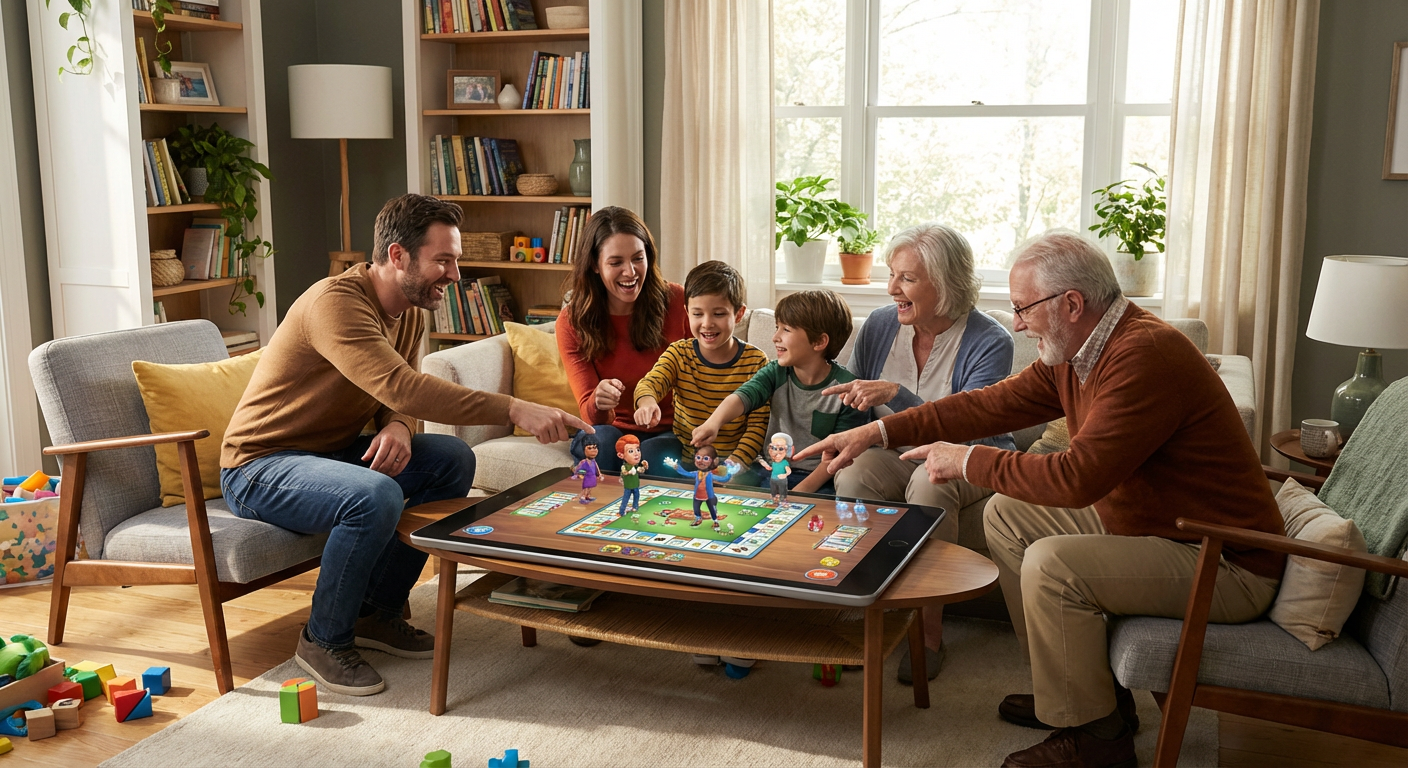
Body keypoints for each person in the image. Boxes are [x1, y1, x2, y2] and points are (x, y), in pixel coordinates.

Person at [797, 230, 1285, 768]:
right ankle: (1078, 696)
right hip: (1160, 528)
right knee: (1007, 515)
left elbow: (1077, 479)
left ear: (1071, 304)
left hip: (1223, 560)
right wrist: (876, 434)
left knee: (1053, 565)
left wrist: (967, 460)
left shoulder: (1144, 355)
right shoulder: (1079, 352)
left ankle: (1096, 738)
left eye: (1023, 308)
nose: (1018, 323)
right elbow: (983, 407)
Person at [220, 194, 588, 697]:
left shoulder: (409, 308)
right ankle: (321, 640)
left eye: (455, 260)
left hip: (332, 453)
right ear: (397, 256)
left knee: (452, 459)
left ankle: (378, 613)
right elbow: (405, 387)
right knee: (375, 495)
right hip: (260, 464)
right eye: (443, 260)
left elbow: (397, 392)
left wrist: (396, 424)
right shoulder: (336, 304)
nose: (455, 275)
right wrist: (513, 408)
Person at [823, 223, 1016, 683]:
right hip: (895, 450)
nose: (892, 289)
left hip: (968, 453)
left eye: (906, 279)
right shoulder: (880, 326)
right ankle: (864, 614)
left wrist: (898, 393)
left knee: (930, 482)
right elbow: (853, 395)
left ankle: (929, 634)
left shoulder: (991, 340)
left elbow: (972, 425)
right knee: (851, 475)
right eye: (892, 275)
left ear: (944, 284)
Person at [692, 289, 869, 496]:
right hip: (768, 469)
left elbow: (838, 457)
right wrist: (714, 422)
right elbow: (744, 396)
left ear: (819, 342)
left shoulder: (849, 390)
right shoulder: (776, 371)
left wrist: (801, 492)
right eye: (777, 327)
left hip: (817, 478)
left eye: (786, 329)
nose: (775, 337)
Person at [557, 207, 689, 474]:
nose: (630, 272)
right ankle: (594, 513)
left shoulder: (678, 301)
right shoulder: (572, 322)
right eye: (616, 262)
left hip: (671, 430)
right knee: (601, 444)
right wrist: (598, 400)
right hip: (609, 431)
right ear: (595, 265)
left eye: (638, 259)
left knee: (652, 457)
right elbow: (590, 415)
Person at [633, 260, 770, 486]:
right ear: (686, 312)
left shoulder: (756, 362)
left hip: (734, 462)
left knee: (765, 481)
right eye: (698, 314)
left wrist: (733, 467)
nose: (707, 324)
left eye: (718, 314)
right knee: (649, 451)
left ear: (739, 314)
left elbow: (757, 427)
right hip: (686, 458)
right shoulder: (679, 353)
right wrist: (647, 402)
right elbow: (650, 383)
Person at [615, 435, 648, 516]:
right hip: (628, 486)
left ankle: (635, 507)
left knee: (637, 496)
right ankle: (622, 511)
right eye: (631, 451)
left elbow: (641, 470)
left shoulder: (635, 466)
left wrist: (645, 467)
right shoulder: (624, 466)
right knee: (626, 498)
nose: (636, 454)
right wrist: (630, 472)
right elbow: (624, 473)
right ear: (621, 455)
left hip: (635, 485)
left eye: (638, 450)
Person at [757, 434, 793, 505]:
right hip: (773, 479)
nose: (776, 452)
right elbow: (771, 467)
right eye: (773, 448)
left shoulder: (784, 462)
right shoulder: (773, 462)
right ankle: (774, 500)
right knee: (773, 492)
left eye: (781, 449)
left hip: (782, 480)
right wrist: (764, 464)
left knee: (782, 492)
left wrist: (785, 475)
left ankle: (783, 500)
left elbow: (788, 471)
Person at [573, 436, 600, 504]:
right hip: (587, 477)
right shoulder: (583, 462)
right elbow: (579, 469)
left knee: (590, 488)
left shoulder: (594, 461)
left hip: (592, 477)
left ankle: (588, 496)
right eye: (590, 448)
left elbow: (597, 468)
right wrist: (579, 475)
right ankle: (583, 497)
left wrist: (599, 474)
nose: (593, 450)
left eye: (595, 447)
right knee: (585, 488)